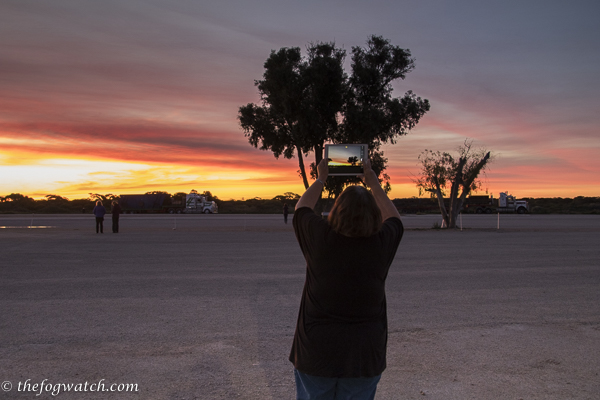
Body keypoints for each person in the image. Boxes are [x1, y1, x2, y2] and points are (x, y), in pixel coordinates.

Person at [290, 157, 403, 400]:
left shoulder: (320, 239)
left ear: (337, 211)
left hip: (316, 352)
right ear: (374, 215)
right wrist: (372, 182)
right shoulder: (381, 244)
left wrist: (321, 178)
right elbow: (395, 219)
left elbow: (301, 209)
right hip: (364, 356)